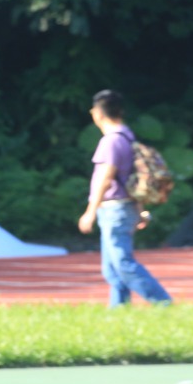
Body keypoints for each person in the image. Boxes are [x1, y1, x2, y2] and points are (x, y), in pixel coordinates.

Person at [77, 90, 171, 307]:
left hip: (114, 209)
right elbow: (130, 178)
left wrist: (90, 211)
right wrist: (139, 208)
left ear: (97, 113)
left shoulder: (111, 141)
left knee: (122, 262)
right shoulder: (127, 136)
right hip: (123, 207)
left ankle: (162, 303)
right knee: (111, 268)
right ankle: (118, 309)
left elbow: (106, 177)